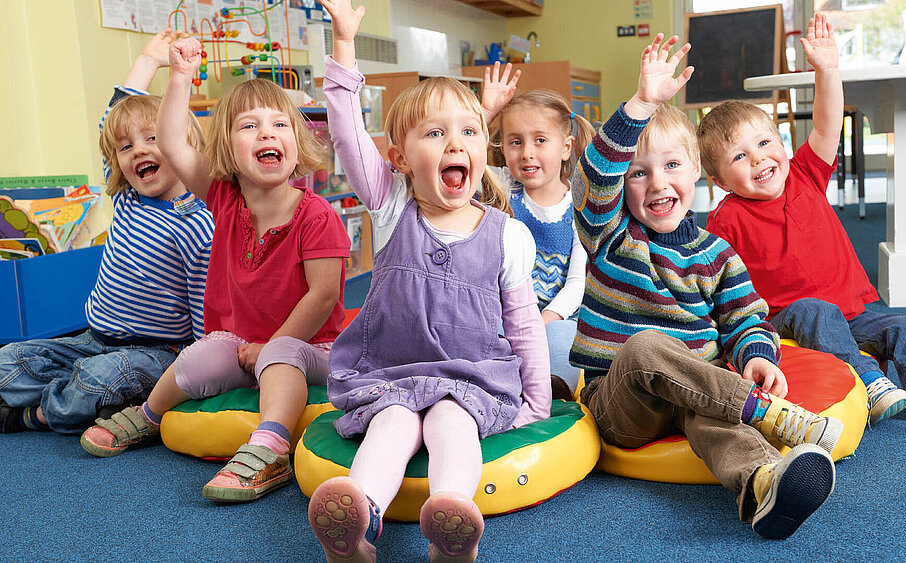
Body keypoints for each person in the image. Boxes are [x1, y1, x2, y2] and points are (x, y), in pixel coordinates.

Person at [573, 33, 844, 540]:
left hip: (699, 390)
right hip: (623, 401)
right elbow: (595, 175)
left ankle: (763, 484)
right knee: (647, 347)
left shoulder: (717, 253)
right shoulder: (609, 236)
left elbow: (745, 319)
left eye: (672, 165)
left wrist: (756, 356)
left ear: (697, 170)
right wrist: (640, 105)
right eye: (638, 174)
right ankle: (766, 413)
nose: (658, 183)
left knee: (714, 415)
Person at [309, 1, 551, 561]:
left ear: (484, 150)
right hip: (391, 375)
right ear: (399, 158)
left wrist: (536, 402)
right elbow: (346, 135)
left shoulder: (509, 235)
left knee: (451, 423)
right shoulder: (391, 207)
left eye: (468, 132)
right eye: (435, 134)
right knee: (392, 425)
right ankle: (357, 525)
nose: (455, 144)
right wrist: (343, 42)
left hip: (469, 378)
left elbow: (523, 325)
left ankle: (450, 525)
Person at [79, 36, 352, 504]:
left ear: (296, 140)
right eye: (250, 126)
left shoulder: (317, 216)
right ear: (226, 148)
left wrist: (272, 344)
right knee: (198, 357)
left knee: (280, 356)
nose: (267, 134)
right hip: (241, 344)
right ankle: (148, 415)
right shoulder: (224, 198)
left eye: (279, 124)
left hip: (311, 348)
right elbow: (170, 141)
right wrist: (180, 77)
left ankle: (270, 449)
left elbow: (323, 295)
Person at [700, 14, 906, 426]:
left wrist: (827, 70)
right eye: (739, 157)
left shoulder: (805, 174)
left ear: (782, 143)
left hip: (854, 314)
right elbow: (710, 276)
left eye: (765, 143)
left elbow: (826, 126)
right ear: (718, 181)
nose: (758, 159)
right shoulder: (726, 218)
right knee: (816, 312)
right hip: (787, 319)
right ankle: (867, 382)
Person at [0, 30, 213, 435]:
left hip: (155, 351)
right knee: (7, 360)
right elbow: (110, 123)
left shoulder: (197, 223)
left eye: (153, 139)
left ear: (180, 144)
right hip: (92, 339)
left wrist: (200, 372)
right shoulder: (127, 197)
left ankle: (32, 416)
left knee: (96, 381)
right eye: (126, 148)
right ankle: (74, 395)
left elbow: (205, 308)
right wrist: (148, 61)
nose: (139, 151)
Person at [478, 65, 596, 394]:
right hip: (506, 313)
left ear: (566, 147)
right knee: (485, 329)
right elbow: (464, 154)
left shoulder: (581, 206)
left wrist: (542, 323)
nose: (527, 153)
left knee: (565, 340)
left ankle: (554, 390)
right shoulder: (500, 188)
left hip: (557, 317)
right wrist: (486, 113)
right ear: (503, 147)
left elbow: (577, 283)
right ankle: (495, 383)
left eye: (540, 140)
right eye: (516, 142)